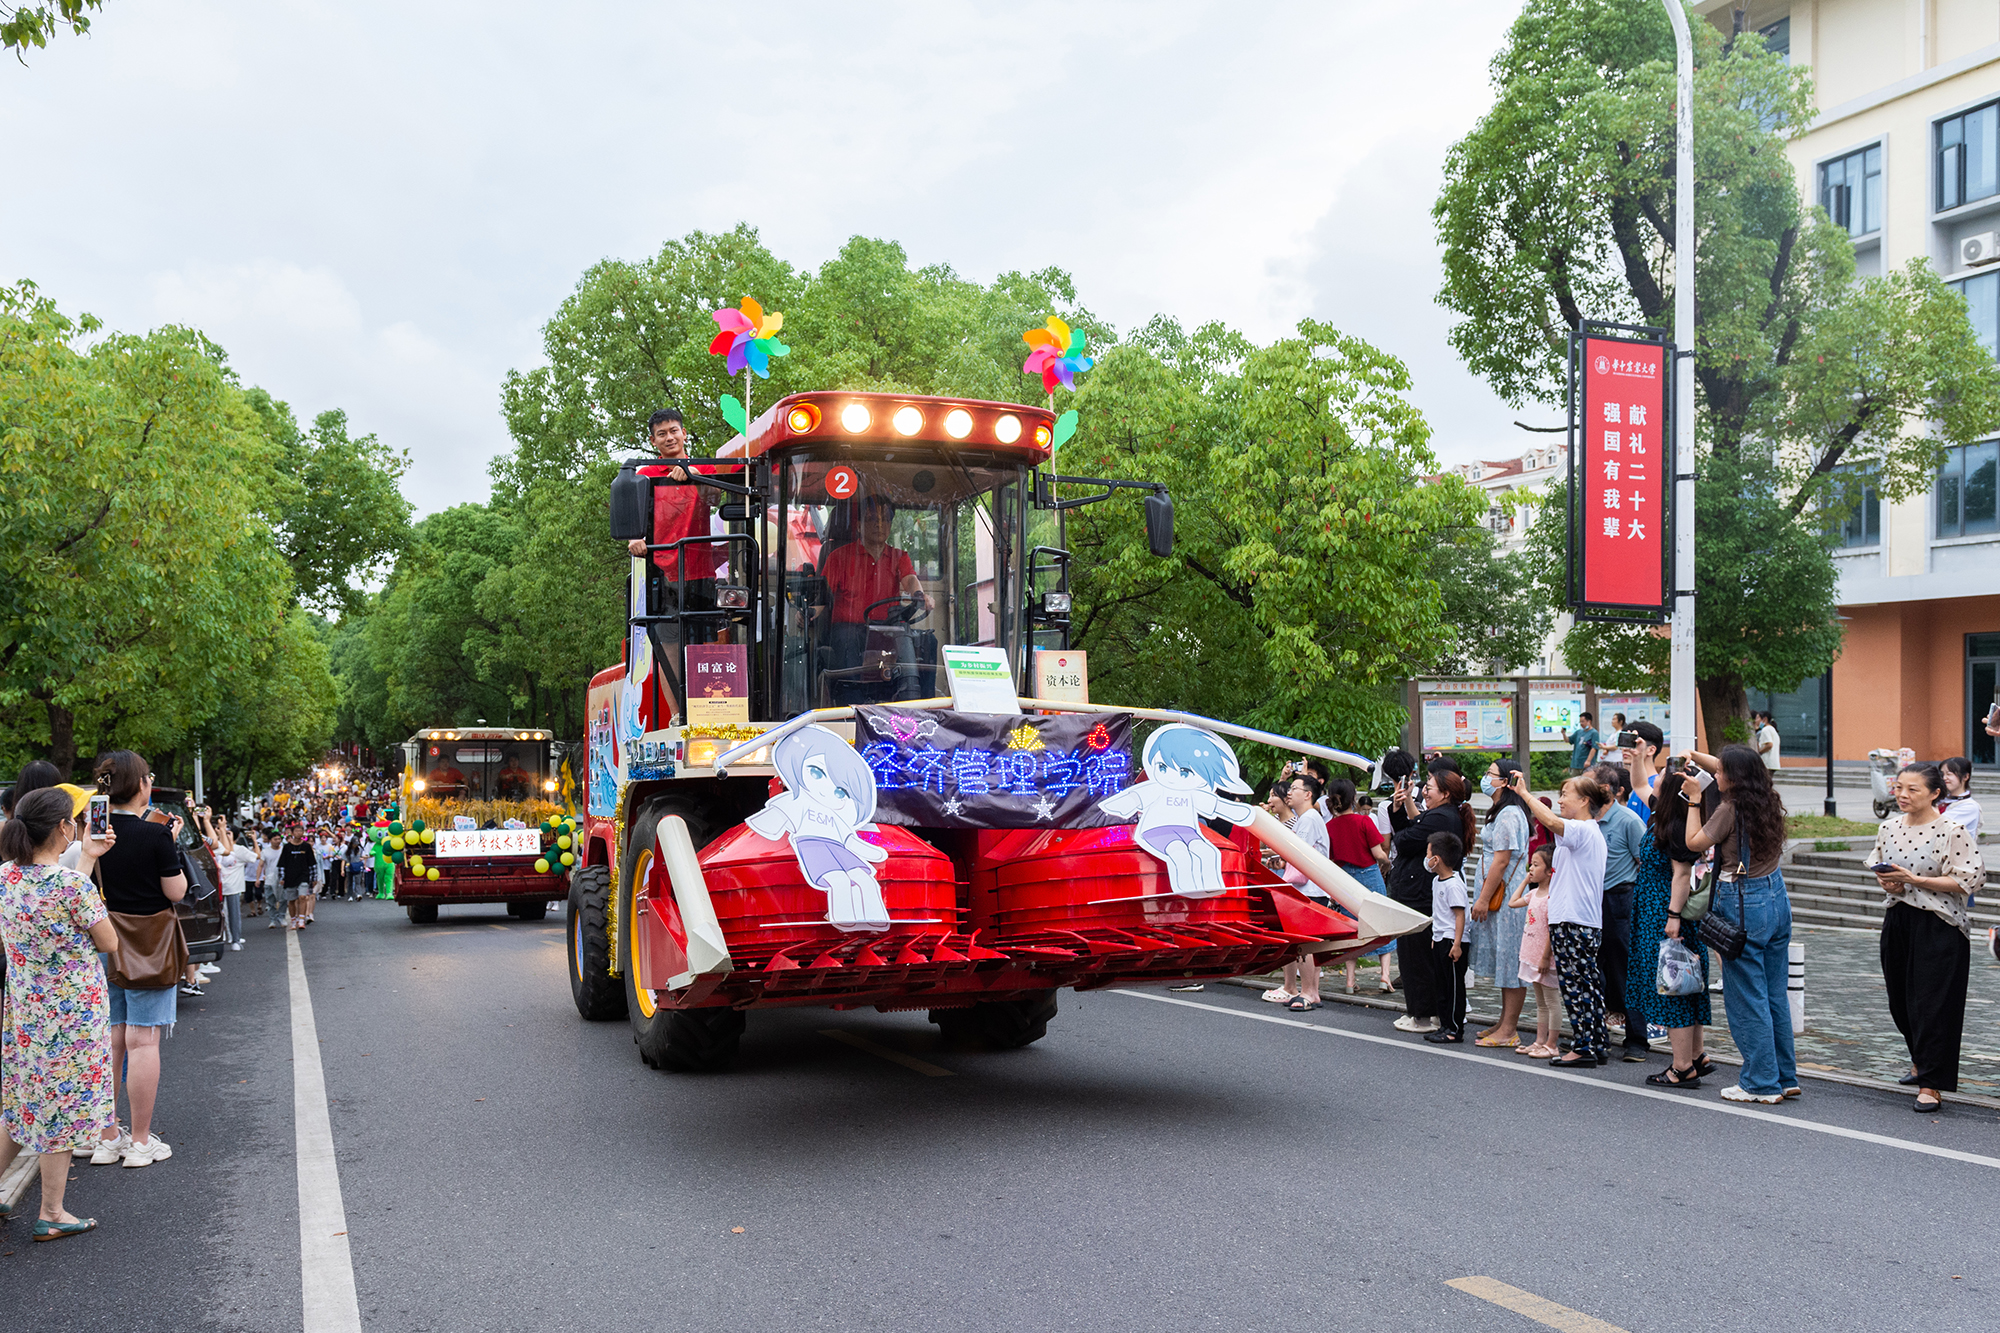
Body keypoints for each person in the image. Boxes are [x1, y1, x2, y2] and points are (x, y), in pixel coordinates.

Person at [0, 788, 120, 1240]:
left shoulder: (4, 877)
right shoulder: (72, 886)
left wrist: (85, 857)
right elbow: (107, 941)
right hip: (71, 1016)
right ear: (62, 829)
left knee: (20, 1104)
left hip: (26, 1012)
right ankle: (52, 1211)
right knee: (62, 1109)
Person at [1680, 744, 1797, 1104]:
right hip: (1776, 898)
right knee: (1775, 993)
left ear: (1733, 777)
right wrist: (1695, 754)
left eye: (1721, 772)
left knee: (1747, 997)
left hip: (1743, 901)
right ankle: (1784, 1076)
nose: (1716, 775)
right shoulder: (1767, 797)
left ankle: (1760, 1083)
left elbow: (1693, 843)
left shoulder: (1728, 809)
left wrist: (1694, 801)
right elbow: (1735, 767)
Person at [89, 750, 187, 1168]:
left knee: (113, 1035)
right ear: (143, 784)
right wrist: (172, 844)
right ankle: (142, 1142)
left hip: (105, 940)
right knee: (142, 1038)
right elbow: (177, 892)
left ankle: (108, 1136)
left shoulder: (93, 830)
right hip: (149, 942)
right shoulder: (154, 835)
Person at [1870, 764, 1986, 1112]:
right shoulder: (1888, 827)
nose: (1902, 795)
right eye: (1899, 788)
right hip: (1899, 918)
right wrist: (1890, 882)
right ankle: (1921, 1060)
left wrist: (1917, 881)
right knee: (1900, 1000)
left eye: (1912, 790)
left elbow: (1970, 879)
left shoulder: (1951, 830)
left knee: (1934, 1005)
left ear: (1936, 793)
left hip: (1940, 924)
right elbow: (1881, 865)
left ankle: (1932, 1084)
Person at [622, 407, 733, 718]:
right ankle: (677, 714)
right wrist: (634, 538)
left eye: (674, 430)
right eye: (662, 433)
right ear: (653, 440)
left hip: (699, 570)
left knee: (704, 645)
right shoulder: (644, 476)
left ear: (684, 433)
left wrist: (693, 476)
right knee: (668, 648)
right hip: (661, 571)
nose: (669, 437)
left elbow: (715, 496)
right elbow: (633, 522)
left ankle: (708, 711)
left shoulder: (704, 468)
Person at [1510, 769, 1610, 1068]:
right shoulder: (1586, 833)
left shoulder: (1582, 830)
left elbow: (1551, 820)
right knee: (1588, 984)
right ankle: (1595, 1041)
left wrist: (1525, 795)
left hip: (1574, 922)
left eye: (1566, 794)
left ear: (1584, 800)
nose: (1560, 800)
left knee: (1575, 986)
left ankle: (1583, 1047)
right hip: (1583, 921)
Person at [1628, 767, 1713, 1089]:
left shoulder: (1676, 824)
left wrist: (1673, 916)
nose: (1657, 776)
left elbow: (1681, 874)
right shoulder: (1663, 813)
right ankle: (1696, 1055)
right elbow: (1637, 782)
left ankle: (1681, 1067)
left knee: (1674, 986)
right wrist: (1637, 755)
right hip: (1655, 909)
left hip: (1663, 912)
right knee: (1684, 984)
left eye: (1663, 774)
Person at [1388, 767, 1476, 1035]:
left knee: (1417, 958)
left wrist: (1402, 818)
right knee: (1421, 958)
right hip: (1421, 893)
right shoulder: (1442, 815)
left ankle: (1425, 1014)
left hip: (1419, 896)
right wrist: (1402, 809)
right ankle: (1431, 1013)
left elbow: (1404, 840)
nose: (1424, 790)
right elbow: (1412, 827)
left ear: (1446, 793)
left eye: (1430, 787)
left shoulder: (1441, 817)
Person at [819, 494, 931, 673]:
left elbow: (910, 579)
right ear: (858, 525)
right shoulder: (837, 557)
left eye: (885, 519)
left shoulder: (899, 556)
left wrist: (919, 595)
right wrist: (806, 613)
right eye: (871, 519)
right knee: (847, 640)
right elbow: (821, 598)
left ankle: (918, 697)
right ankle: (853, 697)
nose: (879, 524)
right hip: (849, 631)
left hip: (887, 629)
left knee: (925, 641)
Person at [1469, 759, 1531, 1047]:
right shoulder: (1505, 811)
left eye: (1490, 774)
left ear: (1505, 781)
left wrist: (1483, 898)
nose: (1485, 778)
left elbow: (1502, 860)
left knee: (1511, 960)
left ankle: (1509, 1029)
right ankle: (1505, 1021)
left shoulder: (1509, 814)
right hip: (1504, 896)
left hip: (1507, 899)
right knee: (1505, 960)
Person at [1591, 762, 1649, 1061]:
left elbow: (1646, 863)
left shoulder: (1627, 820)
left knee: (1624, 968)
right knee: (1592, 970)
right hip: (1590, 900)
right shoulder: (1586, 820)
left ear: (1604, 790)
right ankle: (1595, 1033)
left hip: (1619, 900)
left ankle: (1637, 1038)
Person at [1322, 778, 1393, 995]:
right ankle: (1384, 976)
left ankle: (1350, 981)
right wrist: (1388, 864)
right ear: (1353, 798)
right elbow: (1379, 853)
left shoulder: (1329, 827)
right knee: (1383, 924)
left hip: (1345, 879)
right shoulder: (1364, 822)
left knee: (1351, 928)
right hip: (1370, 874)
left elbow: (1332, 859)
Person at [1273, 774, 1329, 1012]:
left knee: (1304, 944)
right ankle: (1309, 990)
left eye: (1294, 788)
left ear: (1308, 794)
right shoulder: (1305, 818)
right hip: (1311, 887)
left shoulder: (1308, 819)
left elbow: (1299, 856)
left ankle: (1309, 991)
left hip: (1310, 888)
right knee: (1307, 944)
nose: (1289, 792)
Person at [1510, 844, 1561, 1058]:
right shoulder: (1534, 894)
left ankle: (1552, 1043)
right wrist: (1525, 880)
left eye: (1536, 865)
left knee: (1551, 1000)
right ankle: (1540, 1041)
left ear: (1550, 871)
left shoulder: (1553, 898)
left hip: (1544, 958)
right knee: (1540, 1002)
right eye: (1531, 864)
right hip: (1531, 954)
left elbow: (1552, 930)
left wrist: (1545, 956)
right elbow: (1512, 902)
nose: (1531, 868)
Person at [1421, 831, 1471, 1044]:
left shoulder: (1453, 884)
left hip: (1453, 941)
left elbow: (1460, 915)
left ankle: (1455, 1028)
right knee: (1441, 985)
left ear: (1437, 859)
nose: (1426, 859)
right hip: (1441, 938)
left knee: (1453, 987)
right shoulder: (1437, 882)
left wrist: (1457, 943)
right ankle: (1444, 1024)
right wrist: (1436, 936)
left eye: (1428, 854)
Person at [198, 809, 250, 952]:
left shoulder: (220, 846)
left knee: (232, 913)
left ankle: (234, 939)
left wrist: (222, 829)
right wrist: (208, 822)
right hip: (211, 885)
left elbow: (228, 853)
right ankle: (217, 939)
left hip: (229, 885)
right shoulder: (201, 840)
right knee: (213, 915)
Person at [276, 824, 318, 931]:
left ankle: (302, 919)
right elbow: (282, 864)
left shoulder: (306, 847)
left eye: (301, 831)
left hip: (303, 875)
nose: (299, 833)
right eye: (297, 831)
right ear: (292, 833)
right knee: (291, 900)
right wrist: (281, 877)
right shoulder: (287, 847)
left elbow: (312, 864)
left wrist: (314, 878)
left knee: (302, 897)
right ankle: (293, 919)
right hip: (290, 876)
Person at [1938, 756, 1981, 839]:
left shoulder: (1969, 806)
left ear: (1965, 777)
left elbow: (1938, 825)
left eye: (1949, 774)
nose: (1944, 778)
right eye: (1942, 774)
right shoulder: (1941, 800)